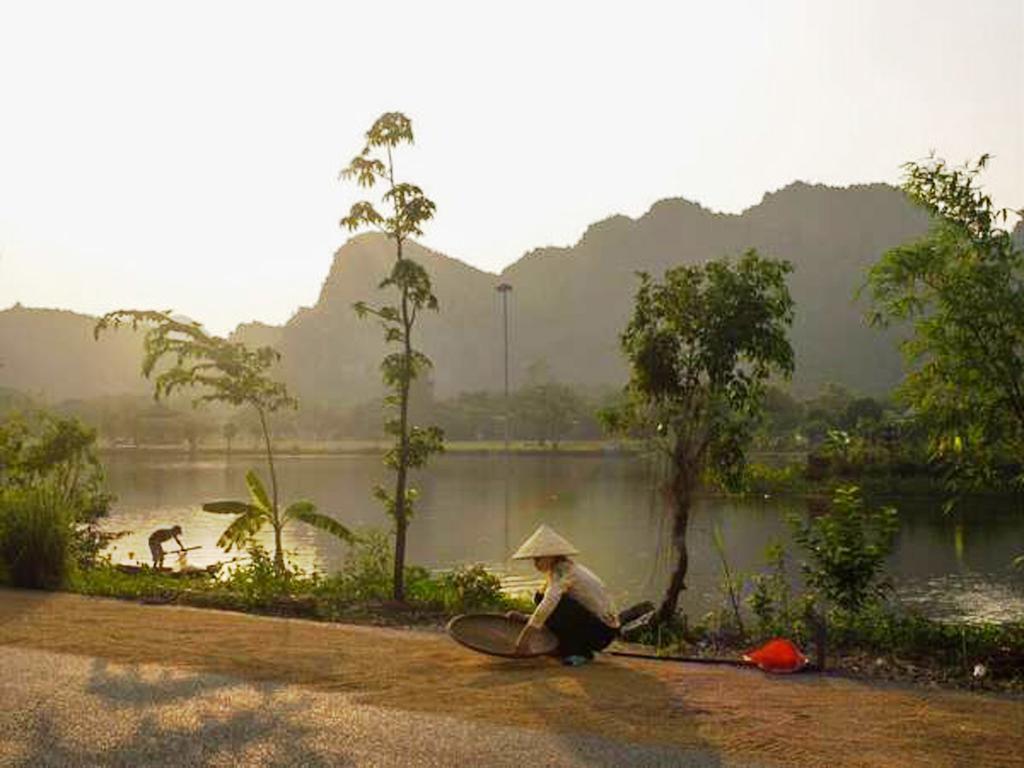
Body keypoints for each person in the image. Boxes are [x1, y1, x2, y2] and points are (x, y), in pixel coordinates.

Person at [510, 524, 620, 666]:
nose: (535, 564)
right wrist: (529, 619)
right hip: (593, 627)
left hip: (601, 633)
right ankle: (564, 644)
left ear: (551, 556)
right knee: (540, 596)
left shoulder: (564, 572)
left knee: (555, 602)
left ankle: (581, 652)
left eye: (538, 559)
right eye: (534, 559)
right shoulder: (561, 569)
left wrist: (524, 640)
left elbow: (549, 604)